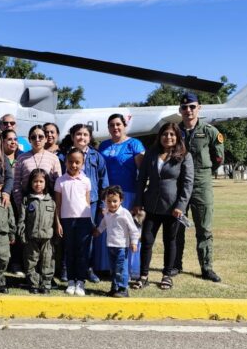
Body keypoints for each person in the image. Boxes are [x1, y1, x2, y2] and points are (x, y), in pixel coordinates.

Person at [134, 123, 194, 291]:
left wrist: (181, 205)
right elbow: (141, 179)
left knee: (170, 241)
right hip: (150, 206)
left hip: (172, 208)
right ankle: (143, 276)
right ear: (160, 136)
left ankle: (167, 275)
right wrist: (138, 202)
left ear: (177, 137)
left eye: (172, 135)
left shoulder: (184, 156)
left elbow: (188, 184)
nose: (168, 137)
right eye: (165, 134)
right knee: (146, 240)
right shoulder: (151, 154)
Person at [175, 92, 225, 282]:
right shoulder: (174, 131)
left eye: (192, 107)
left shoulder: (210, 131)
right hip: (178, 183)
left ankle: (206, 267)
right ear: (180, 110)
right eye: (185, 107)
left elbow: (218, 158)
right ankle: (175, 265)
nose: (188, 110)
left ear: (199, 108)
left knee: (204, 228)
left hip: (201, 183)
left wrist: (203, 170)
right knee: (177, 227)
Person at [98, 113, 145, 279]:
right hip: (108, 197)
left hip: (128, 194)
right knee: (108, 230)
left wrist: (139, 199)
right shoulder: (103, 145)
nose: (115, 128)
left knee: (127, 231)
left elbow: (142, 173)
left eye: (118, 124)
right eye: (111, 125)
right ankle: (107, 267)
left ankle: (129, 268)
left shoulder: (135, 144)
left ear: (124, 125)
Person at [70, 123, 109, 283]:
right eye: (78, 134)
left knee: (88, 237)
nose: (82, 137)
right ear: (72, 136)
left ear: (90, 137)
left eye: (85, 134)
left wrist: (102, 205)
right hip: (69, 201)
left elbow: (103, 181)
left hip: (90, 202)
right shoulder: (64, 155)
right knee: (70, 236)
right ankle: (69, 268)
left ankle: (88, 268)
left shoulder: (96, 156)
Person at [55, 148, 93, 297]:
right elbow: (58, 204)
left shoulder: (86, 180)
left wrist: (90, 222)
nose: (74, 165)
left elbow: (88, 202)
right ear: (66, 162)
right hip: (66, 220)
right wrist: (58, 223)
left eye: (77, 162)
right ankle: (71, 281)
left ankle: (81, 282)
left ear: (83, 163)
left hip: (83, 220)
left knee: (83, 252)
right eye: (71, 161)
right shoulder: (60, 181)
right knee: (69, 251)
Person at [93, 185, 140, 298]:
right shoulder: (107, 214)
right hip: (110, 245)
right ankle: (114, 288)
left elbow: (133, 230)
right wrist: (98, 231)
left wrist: (134, 242)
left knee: (121, 268)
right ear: (105, 201)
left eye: (115, 201)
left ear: (121, 200)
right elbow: (104, 224)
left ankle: (123, 288)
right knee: (113, 268)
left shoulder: (125, 213)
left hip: (121, 246)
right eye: (109, 201)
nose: (112, 204)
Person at [18, 168, 56, 294]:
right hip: (31, 237)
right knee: (31, 261)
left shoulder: (51, 201)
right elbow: (22, 219)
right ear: (30, 183)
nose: (38, 184)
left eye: (41, 181)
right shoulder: (27, 200)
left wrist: (56, 236)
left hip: (47, 238)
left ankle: (46, 284)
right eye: (35, 181)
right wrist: (22, 234)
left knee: (47, 261)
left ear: (46, 183)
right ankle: (33, 284)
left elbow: (55, 220)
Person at [12, 125, 62, 208]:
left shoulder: (54, 158)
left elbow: (58, 185)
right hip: (28, 204)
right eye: (33, 137)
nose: (37, 140)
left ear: (46, 139)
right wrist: (21, 206)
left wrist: (55, 206)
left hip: (48, 205)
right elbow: (16, 184)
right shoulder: (21, 158)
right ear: (29, 139)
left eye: (41, 137)